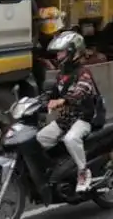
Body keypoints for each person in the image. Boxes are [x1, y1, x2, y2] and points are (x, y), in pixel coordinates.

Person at [36, 31, 99, 192]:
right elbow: (53, 94)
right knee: (39, 139)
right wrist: (38, 101)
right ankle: (59, 170)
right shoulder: (62, 75)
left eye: (62, 52)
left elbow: (80, 92)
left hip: (84, 119)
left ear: (73, 52)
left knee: (71, 139)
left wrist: (63, 101)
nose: (58, 56)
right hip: (66, 119)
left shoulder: (83, 73)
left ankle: (83, 172)